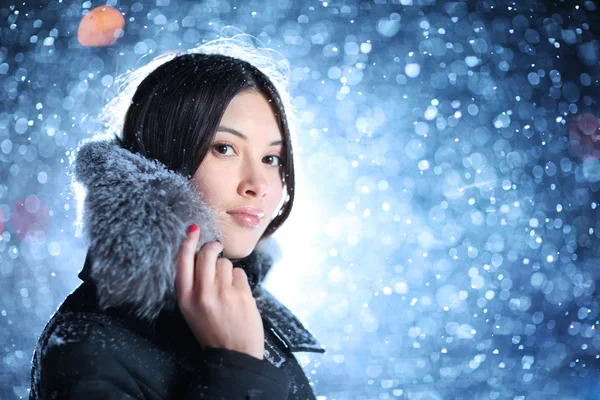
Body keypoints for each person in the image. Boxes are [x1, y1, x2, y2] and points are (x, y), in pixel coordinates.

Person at [28, 38, 325, 399]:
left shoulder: (237, 305)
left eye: (271, 159)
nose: (259, 185)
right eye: (224, 148)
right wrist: (235, 367)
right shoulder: (88, 346)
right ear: (162, 160)